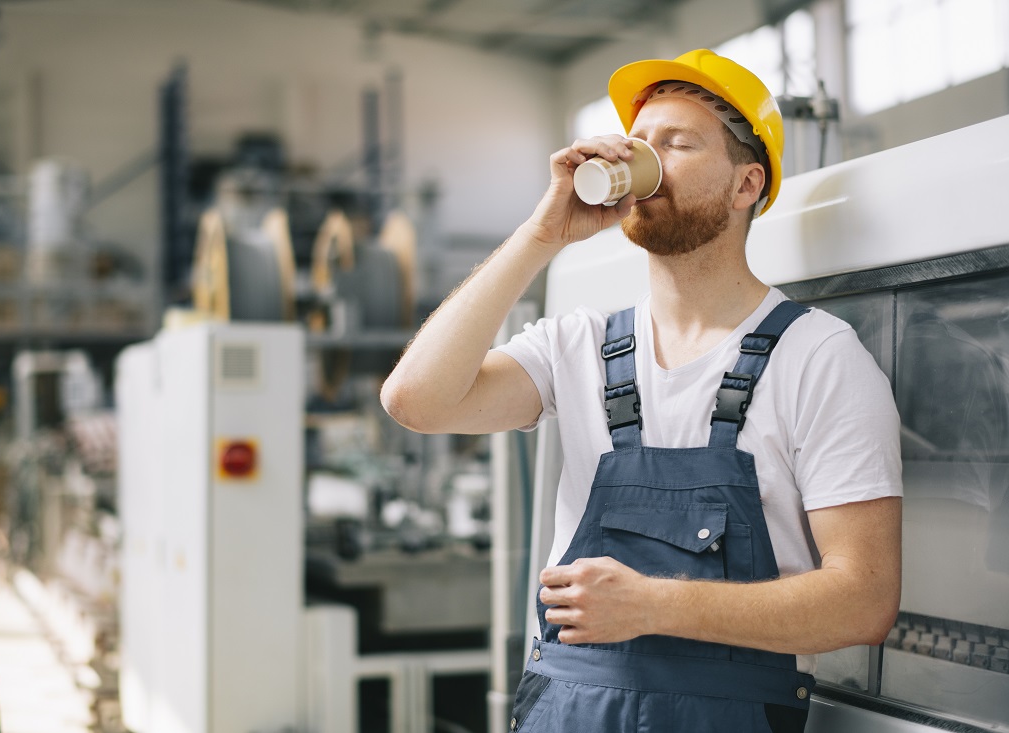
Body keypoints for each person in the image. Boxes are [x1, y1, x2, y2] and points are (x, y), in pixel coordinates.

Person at [381, 49, 902, 732]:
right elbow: (415, 400)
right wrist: (543, 233)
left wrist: (654, 605)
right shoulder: (580, 344)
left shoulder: (819, 357)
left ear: (746, 184)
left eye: (677, 143)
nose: (645, 158)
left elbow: (864, 601)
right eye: (639, 141)